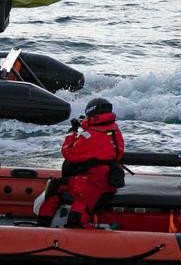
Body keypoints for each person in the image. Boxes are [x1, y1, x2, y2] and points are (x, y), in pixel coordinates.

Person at [37, 97, 126, 228]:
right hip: (104, 180)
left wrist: (72, 132)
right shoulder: (115, 130)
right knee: (57, 185)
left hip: (93, 184)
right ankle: (44, 228)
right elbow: (116, 153)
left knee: (76, 220)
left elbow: (68, 152)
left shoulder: (90, 135)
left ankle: (43, 228)